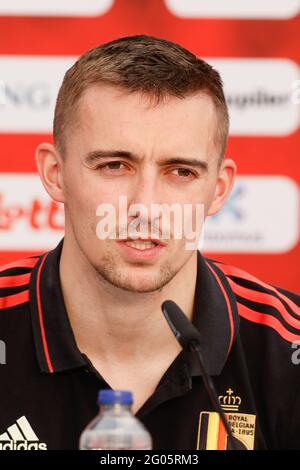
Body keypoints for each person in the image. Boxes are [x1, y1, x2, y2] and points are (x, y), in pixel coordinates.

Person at [0, 35, 299, 451]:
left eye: (180, 172)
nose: (145, 207)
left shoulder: (288, 351)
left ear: (219, 188)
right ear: (55, 173)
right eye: (114, 165)